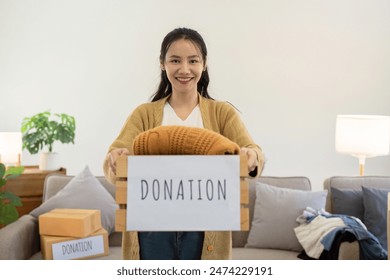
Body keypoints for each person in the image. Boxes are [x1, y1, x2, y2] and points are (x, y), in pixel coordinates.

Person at [103, 27, 265, 260]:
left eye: (193, 61)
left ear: (204, 64)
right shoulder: (144, 114)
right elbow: (114, 158)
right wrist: (115, 160)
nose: (184, 69)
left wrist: (251, 157)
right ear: (162, 64)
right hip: (151, 230)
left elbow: (255, 153)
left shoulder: (222, 113)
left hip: (205, 231)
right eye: (175, 60)